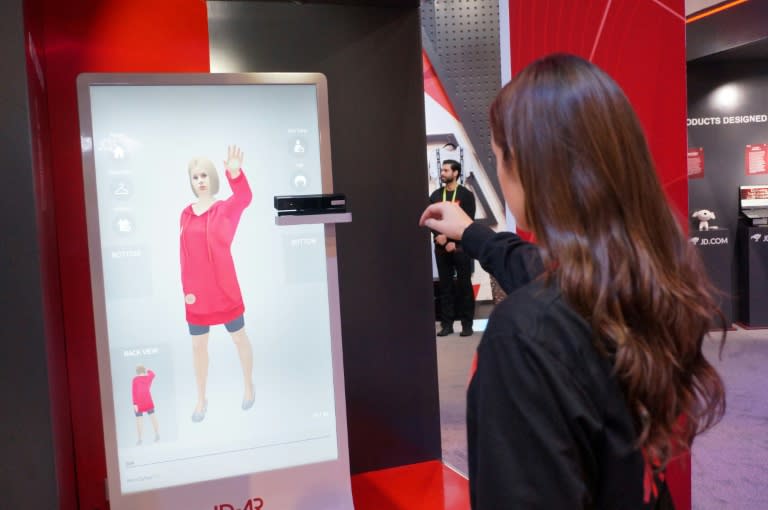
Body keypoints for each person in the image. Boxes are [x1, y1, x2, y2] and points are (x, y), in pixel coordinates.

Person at [420, 54, 726, 509]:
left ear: (524, 166)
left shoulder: (525, 335)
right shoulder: (644, 285)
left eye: (499, 157)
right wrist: (472, 233)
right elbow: (535, 267)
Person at [181, 144, 254, 423]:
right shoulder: (185, 214)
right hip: (196, 294)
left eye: (204, 175)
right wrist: (186, 292)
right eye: (195, 177)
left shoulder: (225, 209)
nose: (200, 181)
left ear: (213, 177)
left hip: (224, 289)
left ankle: (248, 384)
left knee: (238, 337)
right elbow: (183, 258)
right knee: (198, 347)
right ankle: (201, 398)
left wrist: (235, 173)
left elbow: (245, 197)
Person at [429, 159, 476, 336]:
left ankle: (467, 325)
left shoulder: (465, 195)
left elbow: (468, 221)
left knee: (464, 285)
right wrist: (438, 236)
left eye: (446, 170)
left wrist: (452, 241)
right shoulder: (435, 195)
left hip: (461, 247)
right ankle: (446, 325)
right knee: (445, 287)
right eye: (442, 170)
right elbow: (431, 219)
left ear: (455, 173)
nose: (442, 173)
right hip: (440, 247)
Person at [132, 365, 159, 444]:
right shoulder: (148, 377)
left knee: (139, 420)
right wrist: (147, 370)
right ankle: (157, 434)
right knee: (153, 417)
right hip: (148, 400)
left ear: (137, 372)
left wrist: (134, 404)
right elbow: (152, 373)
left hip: (138, 402)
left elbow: (134, 392)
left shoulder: (135, 379)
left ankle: (140, 439)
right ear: (144, 370)